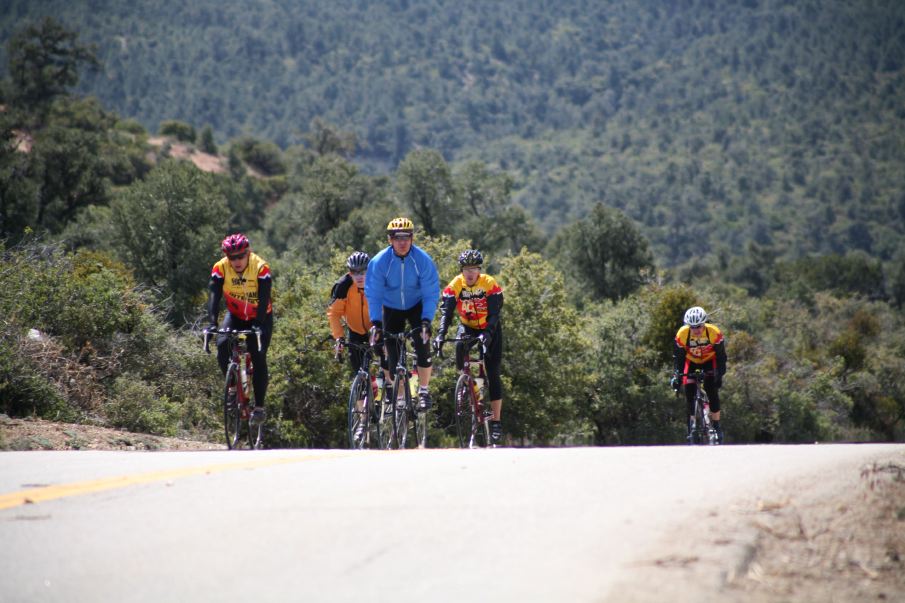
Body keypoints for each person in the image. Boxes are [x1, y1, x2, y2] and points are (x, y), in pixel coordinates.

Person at [365, 217, 440, 410]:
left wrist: (426, 320)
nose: (402, 242)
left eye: (407, 237)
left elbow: (431, 292)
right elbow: (373, 293)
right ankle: (399, 398)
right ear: (390, 239)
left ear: (412, 238)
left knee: (422, 341)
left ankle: (423, 390)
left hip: (416, 305)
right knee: (391, 352)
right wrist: (376, 322)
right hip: (391, 308)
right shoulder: (380, 261)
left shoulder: (422, 260)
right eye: (397, 238)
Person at [433, 249, 505, 444]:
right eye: (467, 269)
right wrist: (440, 336)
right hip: (467, 327)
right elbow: (446, 314)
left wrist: (488, 334)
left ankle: (496, 422)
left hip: (490, 328)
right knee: (459, 349)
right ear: (462, 270)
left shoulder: (489, 284)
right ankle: (467, 384)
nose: (470, 272)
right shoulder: (455, 285)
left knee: (492, 372)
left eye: (474, 268)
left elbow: (495, 314)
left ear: (479, 270)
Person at [207, 233, 273, 427]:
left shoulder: (261, 268)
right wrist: (211, 323)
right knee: (221, 344)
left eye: (240, 256)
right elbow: (213, 296)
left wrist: (258, 323)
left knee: (258, 356)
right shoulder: (220, 268)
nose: (236, 260)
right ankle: (233, 388)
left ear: (248, 252)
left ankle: (259, 407)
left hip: (260, 316)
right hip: (235, 315)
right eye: (231, 257)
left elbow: (263, 298)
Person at [671, 306, 727, 443]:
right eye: (692, 327)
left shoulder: (714, 333)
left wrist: (720, 374)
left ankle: (717, 425)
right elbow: (678, 357)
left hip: (710, 361)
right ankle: (691, 428)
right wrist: (677, 376)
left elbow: (721, 356)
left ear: (705, 323)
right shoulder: (682, 334)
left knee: (711, 389)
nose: (696, 330)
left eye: (699, 326)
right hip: (692, 361)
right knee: (689, 394)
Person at [327, 251, 382, 380]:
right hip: (355, 330)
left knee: (387, 362)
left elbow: (389, 308)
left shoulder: (378, 282)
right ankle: (363, 395)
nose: (359, 276)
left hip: (378, 326)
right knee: (360, 376)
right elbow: (334, 313)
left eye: (362, 271)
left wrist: (380, 328)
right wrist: (339, 338)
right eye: (354, 272)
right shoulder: (343, 286)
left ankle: (390, 388)